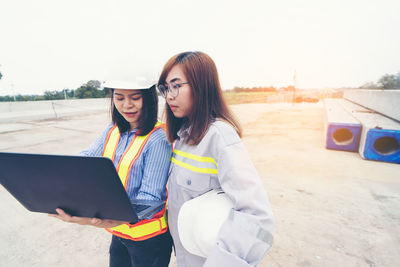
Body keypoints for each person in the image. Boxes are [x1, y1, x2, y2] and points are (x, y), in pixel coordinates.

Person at [157, 51, 274, 267]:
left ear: (201, 85)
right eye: (165, 88)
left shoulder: (219, 136)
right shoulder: (183, 137)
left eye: (176, 85)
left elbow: (257, 217)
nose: (169, 96)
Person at [49, 80, 173, 267]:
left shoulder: (158, 138)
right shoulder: (113, 130)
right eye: (119, 97)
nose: (127, 105)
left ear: (149, 98)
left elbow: (150, 197)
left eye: (135, 97)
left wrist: (105, 220)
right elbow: (85, 159)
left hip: (148, 241)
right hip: (120, 233)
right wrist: (58, 175)